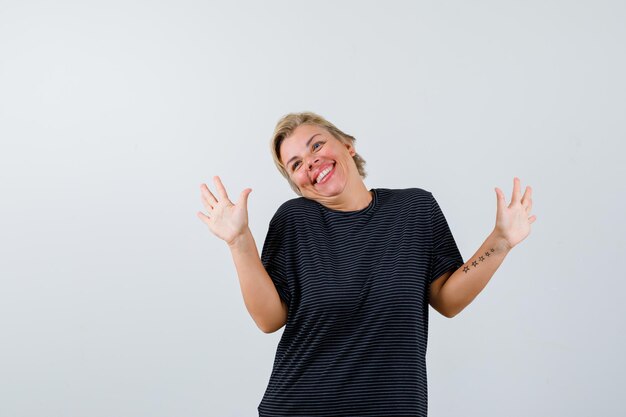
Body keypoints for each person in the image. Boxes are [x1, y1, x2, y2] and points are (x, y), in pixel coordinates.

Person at [197, 112, 536, 417]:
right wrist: (239, 241)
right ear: (295, 182)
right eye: (296, 164)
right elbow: (269, 319)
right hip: (300, 408)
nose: (311, 163)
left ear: (348, 146)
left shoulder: (415, 209)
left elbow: (447, 301)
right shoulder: (294, 221)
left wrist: (501, 241)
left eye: (317, 146)